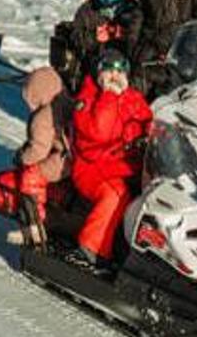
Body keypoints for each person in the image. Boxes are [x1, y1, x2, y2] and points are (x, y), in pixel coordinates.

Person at [69, 50, 151, 268]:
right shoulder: (88, 98)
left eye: (119, 72)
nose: (114, 76)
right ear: (98, 73)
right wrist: (109, 96)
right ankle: (90, 249)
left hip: (126, 167)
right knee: (116, 195)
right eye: (108, 71)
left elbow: (149, 120)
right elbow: (99, 131)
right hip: (93, 169)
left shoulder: (133, 98)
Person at [50, 0, 143, 92]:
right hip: (94, 60)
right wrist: (94, 37)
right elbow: (76, 37)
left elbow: (141, 33)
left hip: (125, 60)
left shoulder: (132, 9)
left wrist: (122, 34)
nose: (108, 6)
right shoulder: (87, 10)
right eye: (103, 0)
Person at [14, 66, 72, 245]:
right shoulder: (66, 100)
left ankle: (36, 223)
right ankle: (56, 204)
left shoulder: (43, 117)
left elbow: (38, 150)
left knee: (31, 177)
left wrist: (22, 158)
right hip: (73, 155)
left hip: (63, 160)